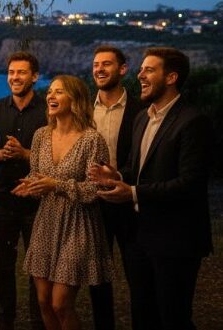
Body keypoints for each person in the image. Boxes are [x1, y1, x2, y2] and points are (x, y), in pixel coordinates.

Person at [91, 47, 213, 330]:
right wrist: (117, 174)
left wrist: (132, 193)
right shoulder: (143, 118)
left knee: (173, 317)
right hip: (143, 235)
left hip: (177, 239)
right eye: (141, 69)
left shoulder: (193, 121)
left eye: (149, 70)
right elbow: (138, 168)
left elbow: (190, 185)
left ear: (171, 77)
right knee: (143, 312)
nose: (140, 75)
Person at [13, 75, 112, 330]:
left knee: (60, 304)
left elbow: (98, 188)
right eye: (50, 92)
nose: (51, 96)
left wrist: (56, 185)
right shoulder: (40, 136)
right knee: (43, 301)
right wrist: (31, 186)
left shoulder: (92, 140)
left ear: (76, 99)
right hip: (46, 222)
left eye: (59, 92)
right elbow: (37, 176)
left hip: (77, 224)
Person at [0, 52, 46, 330]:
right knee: (3, 268)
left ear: (35, 76)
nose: (14, 78)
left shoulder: (47, 111)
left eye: (21, 73)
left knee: (38, 269)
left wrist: (24, 154)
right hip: (2, 200)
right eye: (11, 72)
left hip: (37, 202)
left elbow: (57, 157)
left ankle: (37, 321)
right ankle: (4, 320)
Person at [88, 46, 143, 330]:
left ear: (123, 69)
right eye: (96, 64)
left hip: (129, 202)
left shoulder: (141, 110)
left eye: (107, 64)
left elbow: (146, 158)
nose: (99, 69)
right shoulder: (84, 109)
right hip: (93, 203)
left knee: (139, 276)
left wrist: (119, 175)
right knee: (98, 278)